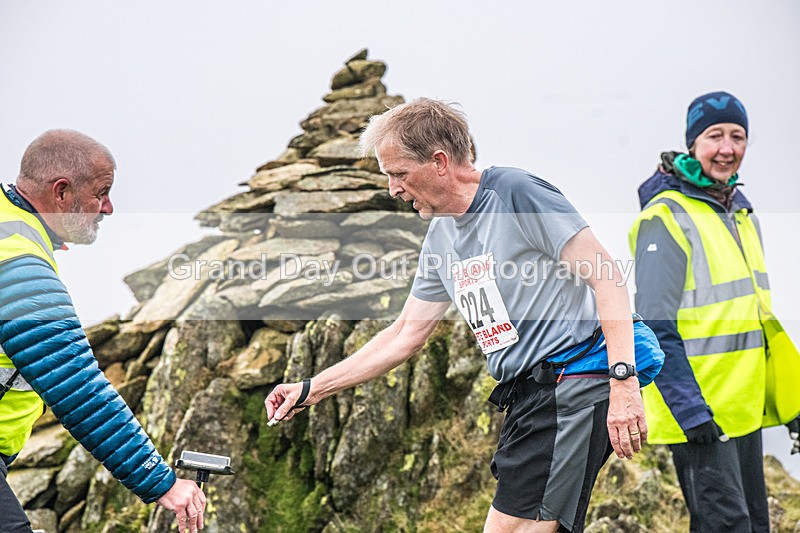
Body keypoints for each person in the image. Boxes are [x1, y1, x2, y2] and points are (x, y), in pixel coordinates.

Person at [266, 98, 662, 533]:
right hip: (528, 397)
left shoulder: (516, 193)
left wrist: (622, 382)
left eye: (399, 174)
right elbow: (405, 333)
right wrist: (313, 388)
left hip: (574, 382)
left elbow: (607, 277)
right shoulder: (440, 235)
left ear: (439, 161)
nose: (393, 189)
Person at [0, 130, 206, 533]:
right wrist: (161, 483)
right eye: (102, 192)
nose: (108, 208)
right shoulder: (18, 262)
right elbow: (77, 386)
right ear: (61, 193)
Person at [629, 91, 800, 532]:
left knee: (753, 526)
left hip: (742, 411)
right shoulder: (665, 218)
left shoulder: (742, 214)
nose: (727, 148)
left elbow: (758, 323)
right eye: (714, 135)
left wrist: (790, 401)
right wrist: (691, 413)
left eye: (737, 136)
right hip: (699, 415)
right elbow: (653, 325)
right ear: (693, 144)